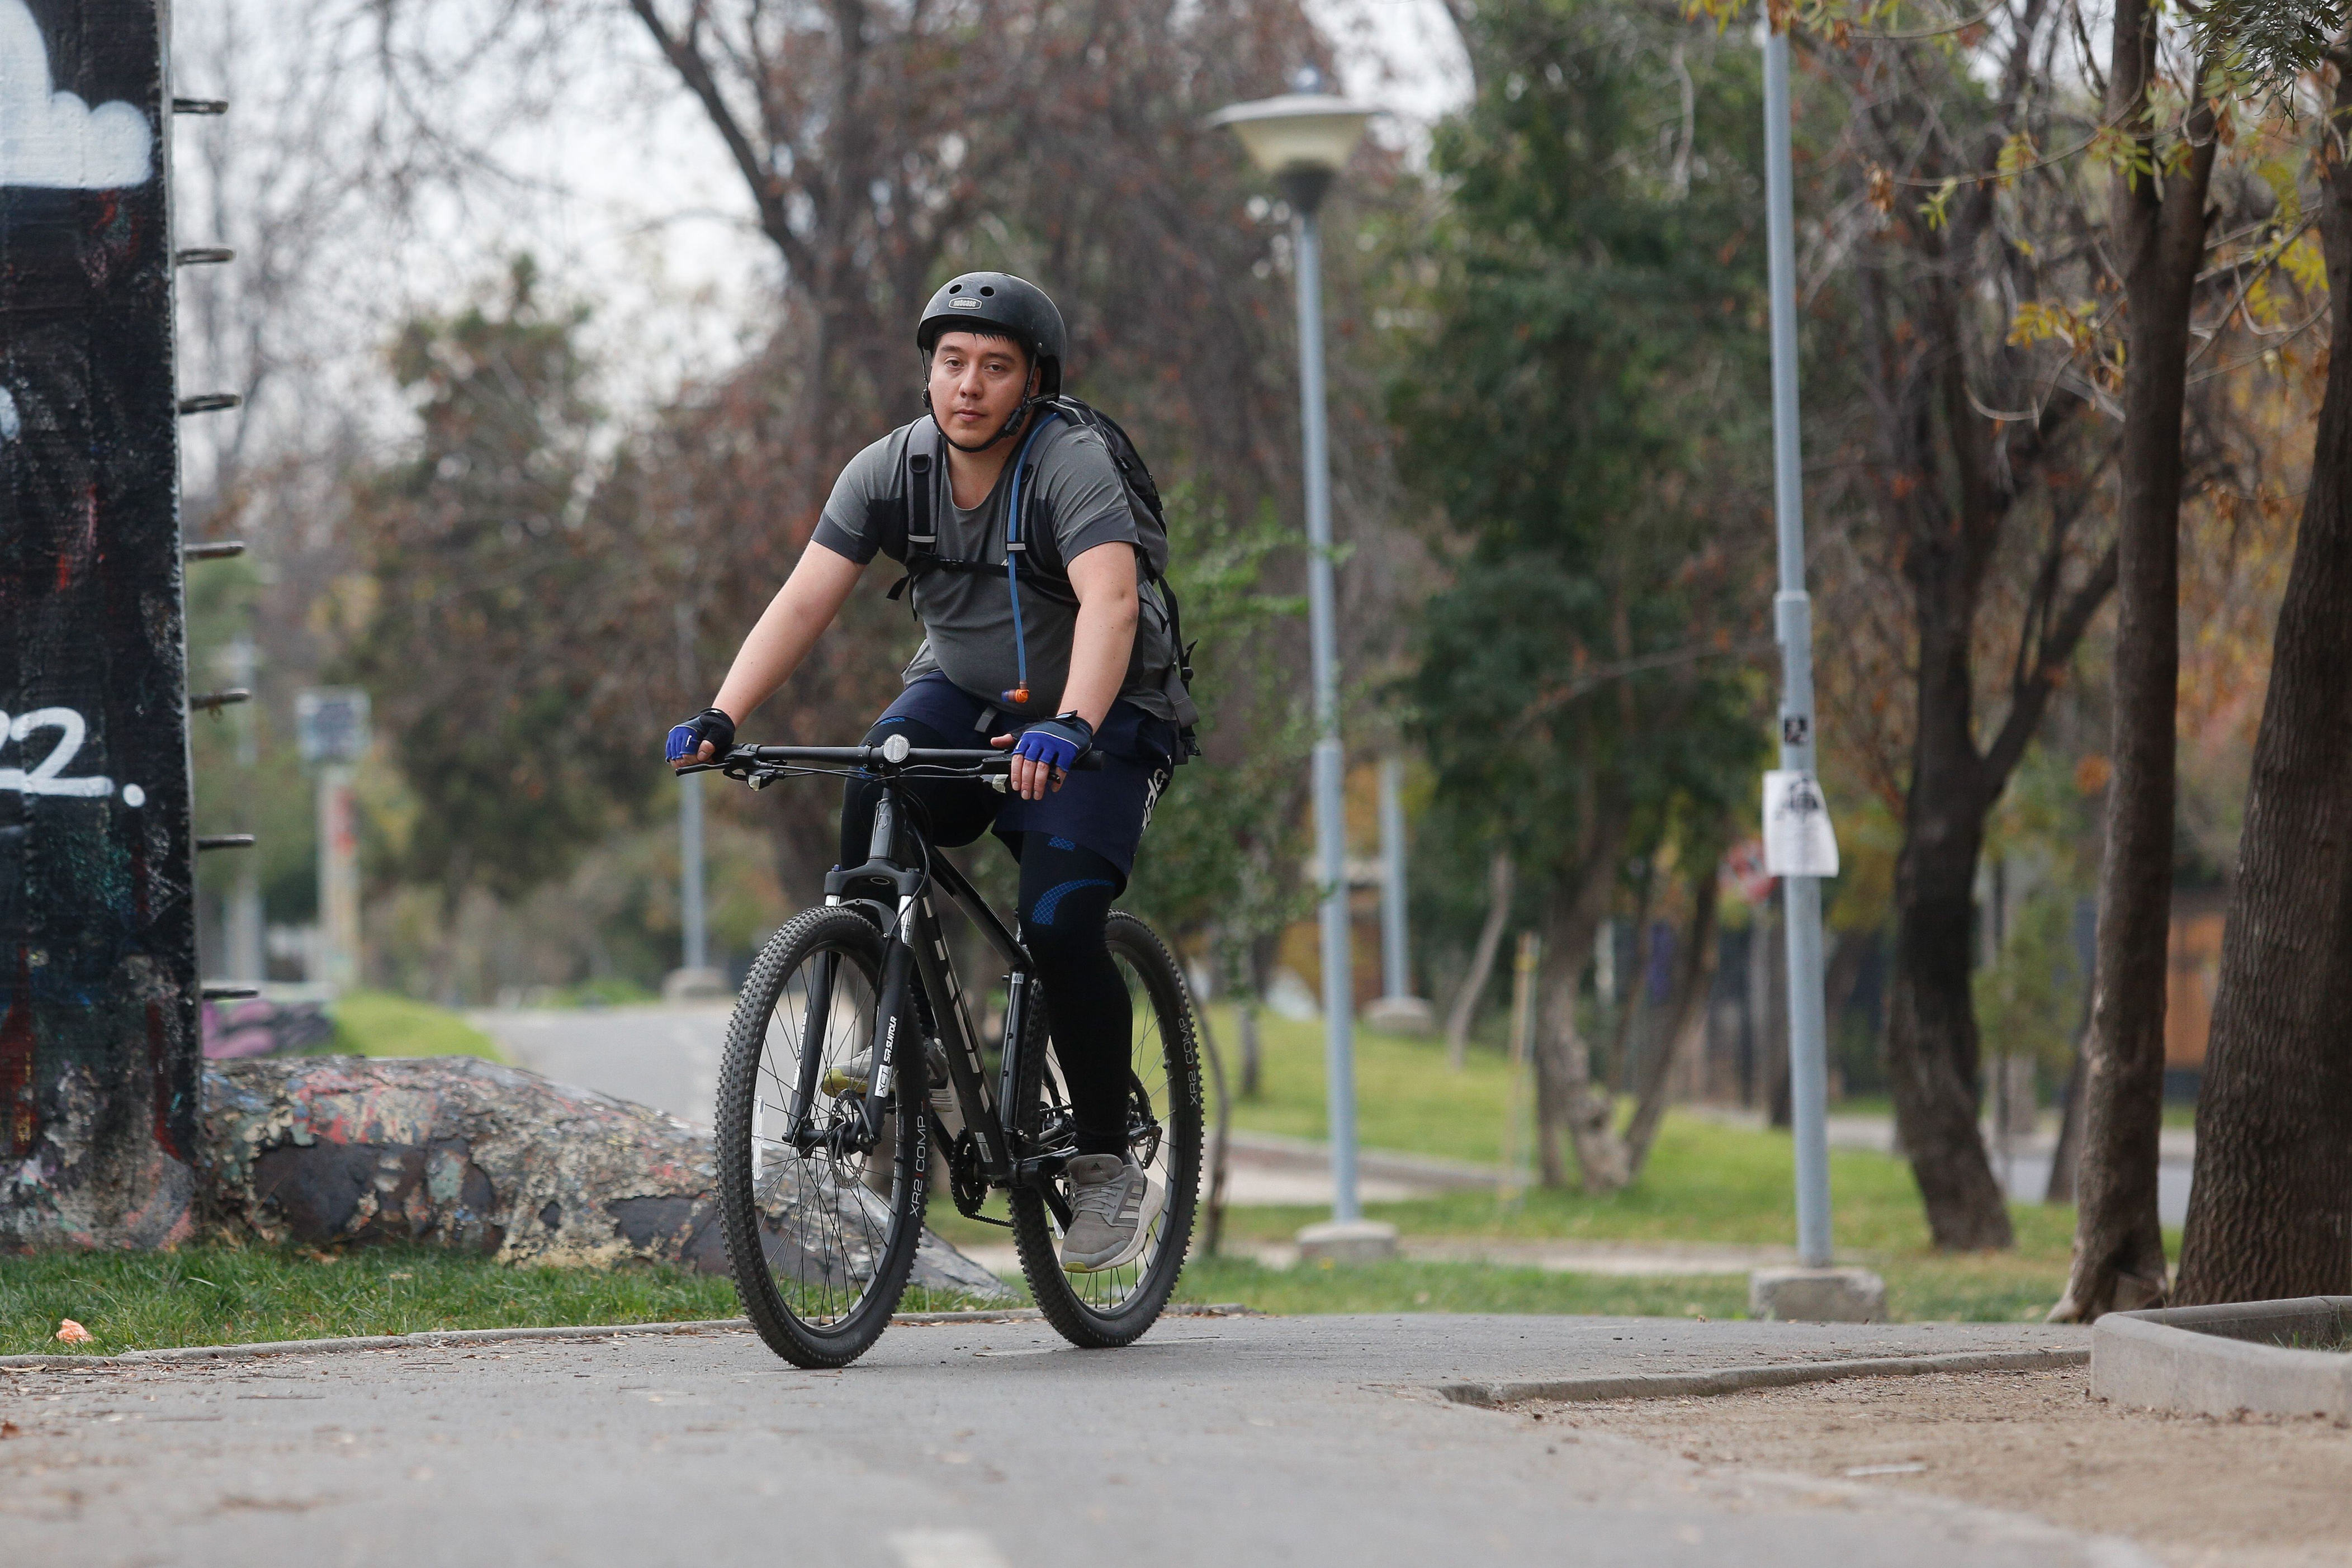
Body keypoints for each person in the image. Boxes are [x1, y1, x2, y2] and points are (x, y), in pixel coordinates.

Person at [665, 272, 1187, 1273]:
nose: (970, 385)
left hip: (1110, 707)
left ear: (1033, 382)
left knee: (1058, 920)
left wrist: (1072, 726)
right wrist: (725, 715)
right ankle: (911, 1033)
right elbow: (805, 600)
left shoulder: (1069, 466)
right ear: (928, 373)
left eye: (996, 367)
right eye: (952, 363)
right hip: (965, 687)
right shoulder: (889, 471)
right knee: (875, 779)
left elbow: (1112, 606)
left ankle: (1106, 1159)